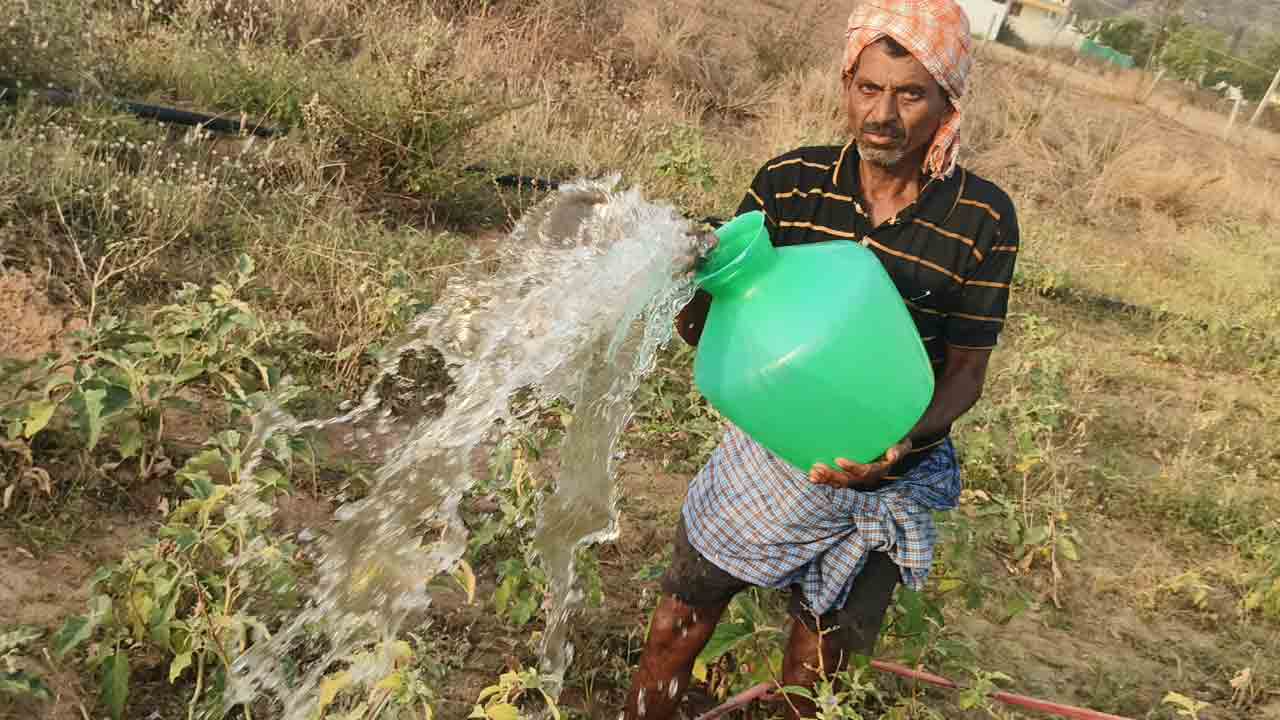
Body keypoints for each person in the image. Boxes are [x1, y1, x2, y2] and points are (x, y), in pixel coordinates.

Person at [624, 1, 1020, 718]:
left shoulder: (982, 216)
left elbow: (966, 369)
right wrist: (688, 277)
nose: (883, 115)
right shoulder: (791, 182)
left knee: (816, 682)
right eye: (868, 88)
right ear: (847, 83)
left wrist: (899, 447)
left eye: (910, 94)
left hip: (893, 467)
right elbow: (709, 331)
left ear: (947, 103)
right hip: (773, 450)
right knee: (674, 631)